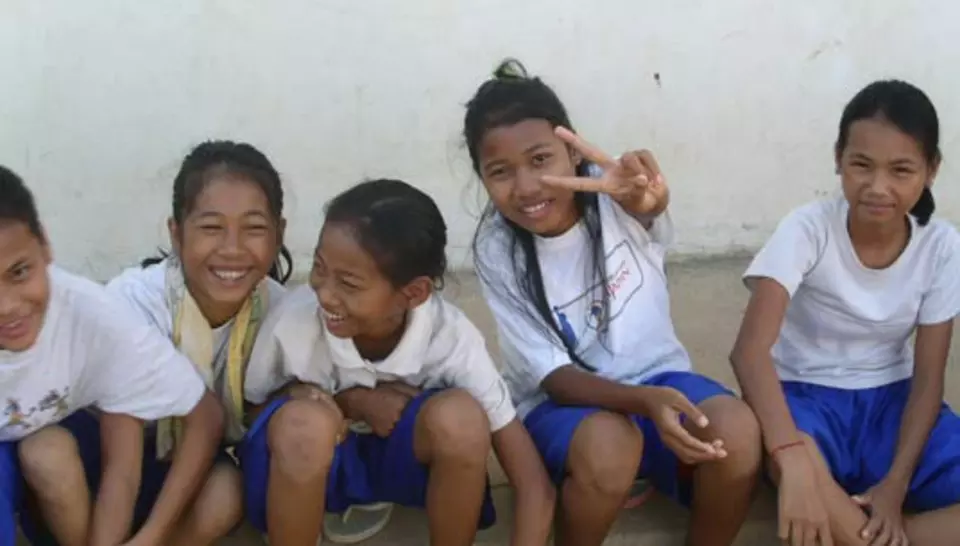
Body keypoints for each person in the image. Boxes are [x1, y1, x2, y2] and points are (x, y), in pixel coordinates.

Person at [464, 59, 762, 546]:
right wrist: (643, 403)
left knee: (738, 433)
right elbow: (554, 379)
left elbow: (649, 211)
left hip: (657, 378)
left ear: (572, 152)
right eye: (500, 172)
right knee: (609, 448)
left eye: (541, 160)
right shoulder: (497, 248)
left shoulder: (615, 191)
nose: (527, 187)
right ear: (481, 177)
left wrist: (650, 204)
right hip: (563, 407)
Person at [242, 179, 556, 546]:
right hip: (304, 468)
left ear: (414, 293)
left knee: (461, 419)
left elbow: (532, 482)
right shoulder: (293, 323)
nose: (324, 293)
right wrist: (347, 403)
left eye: (348, 283)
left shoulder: (449, 338)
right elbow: (250, 413)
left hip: (394, 466)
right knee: (304, 424)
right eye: (319, 267)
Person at [730, 79, 960, 546]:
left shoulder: (941, 246)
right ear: (838, 158)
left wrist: (895, 486)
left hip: (892, 403)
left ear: (931, 169)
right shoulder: (808, 229)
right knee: (799, 466)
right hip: (804, 400)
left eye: (901, 170)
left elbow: (928, 379)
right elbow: (749, 354)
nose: (878, 188)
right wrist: (789, 452)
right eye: (861, 165)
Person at [0, 165, 224, 546]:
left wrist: (151, 537)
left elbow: (204, 415)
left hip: (64, 466)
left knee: (47, 451)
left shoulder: (95, 316)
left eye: (19, 272)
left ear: (45, 246)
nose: (6, 307)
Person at [101, 140, 307, 545]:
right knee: (49, 456)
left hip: (189, 473)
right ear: (176, 233)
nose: (232, 249)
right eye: (211, 228)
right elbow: (119, 461)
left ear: (279, 233)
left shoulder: (284, 315)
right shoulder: (134, 306)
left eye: (254, 228)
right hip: (110, 466)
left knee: (228, 491)